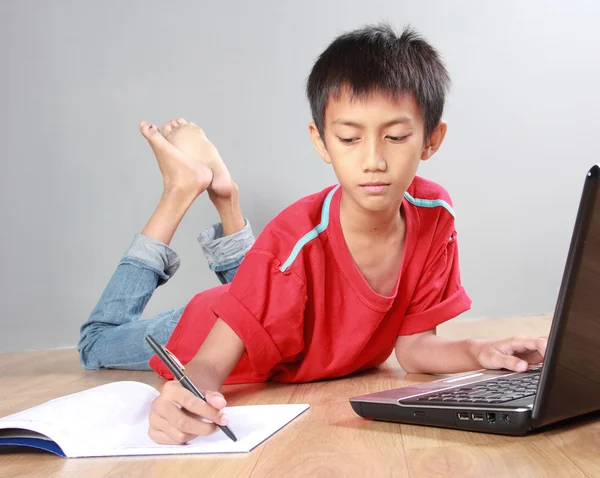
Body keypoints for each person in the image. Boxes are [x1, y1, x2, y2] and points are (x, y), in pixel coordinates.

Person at [78, 24, 547, 445]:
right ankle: (180, 191)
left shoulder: (434, 214)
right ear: (321, 141)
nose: (373, 161)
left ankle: (225, 196)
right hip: (217, 327)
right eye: (349, 139)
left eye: (396, 137)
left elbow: (414, 347)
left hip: (290, 304)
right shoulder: (292, 244)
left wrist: (481, 351)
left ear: (431, 139)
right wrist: (185, 396)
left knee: (277, 272)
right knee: (97, 343)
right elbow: (209, 363)